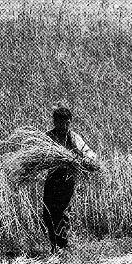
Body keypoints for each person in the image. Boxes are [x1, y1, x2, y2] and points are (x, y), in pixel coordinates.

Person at [42, 104, 95, 253]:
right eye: (60, 122)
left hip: (68, 178)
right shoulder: (48, 137)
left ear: (70, 122)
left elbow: (89, 153)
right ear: (54, 121)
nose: (63, 125)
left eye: (66, 122)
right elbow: (39, 154)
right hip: (52, 178)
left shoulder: (73, 138)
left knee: (61, 212)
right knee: (47, 212)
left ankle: (63, 245)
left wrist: (87, 160)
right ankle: (54, 244)